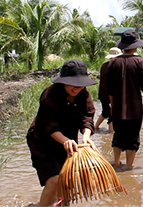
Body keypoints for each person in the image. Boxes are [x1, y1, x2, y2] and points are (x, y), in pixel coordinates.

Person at [26, 59, 98, 207]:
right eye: (73, 83)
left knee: (67, 179)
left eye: (80, 84)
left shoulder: (84, 94)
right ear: (63, 81)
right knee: (54, 179)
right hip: (42, 141)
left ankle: (61, 204)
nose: (77, 88)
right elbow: (49, 124)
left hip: (68, 141)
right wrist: (65, 140)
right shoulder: (50, 94)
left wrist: (86, 136)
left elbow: (88, 116)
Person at [107, 30, 143, 171]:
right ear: (135, 46)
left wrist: (112, 105)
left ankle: (117, 163)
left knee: (118, 135)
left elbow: (110, 89)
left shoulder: (113, 63)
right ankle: (129, 167)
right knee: (133, 138)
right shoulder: (140, 62)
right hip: (134, 108)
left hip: (117, 108)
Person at [95, 47, 123, 133]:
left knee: (105, 111)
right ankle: (111, 132)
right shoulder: (117, 66)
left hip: (103, 93)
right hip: (112, 93)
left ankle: (95, 127)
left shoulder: (104, 65)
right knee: (112, 113)